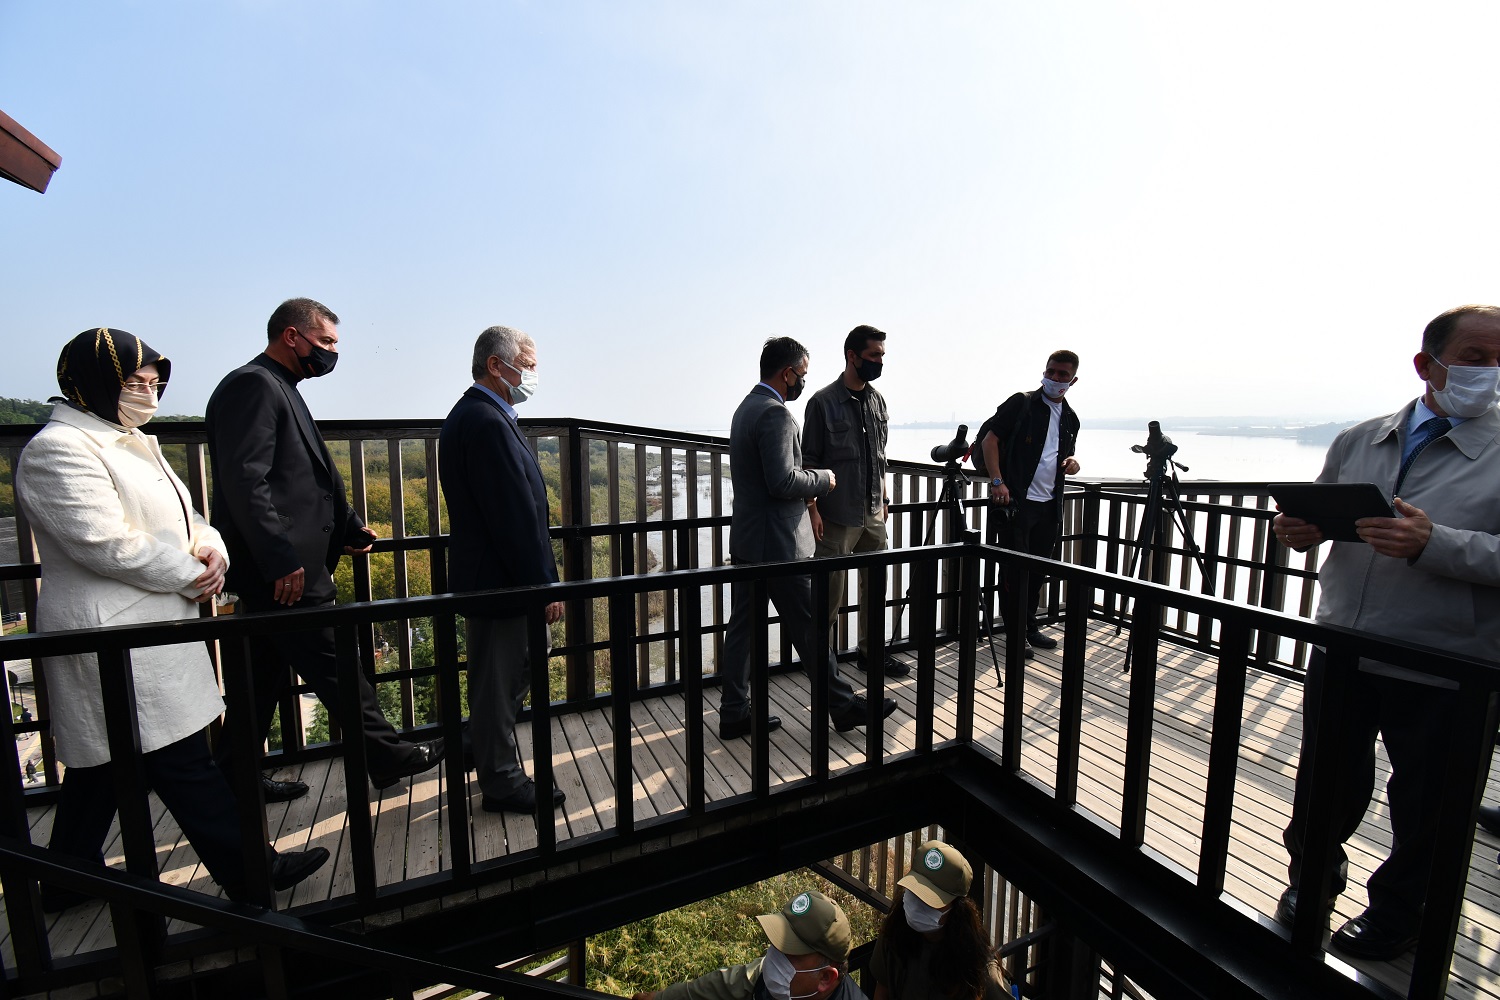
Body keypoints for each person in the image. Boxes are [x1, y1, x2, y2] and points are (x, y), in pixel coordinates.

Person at [16, 328, 327, 907]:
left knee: (104, 764)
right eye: (135, 381)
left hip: (150, 628)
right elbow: (104, 542)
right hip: (113, 633)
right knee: (180, 758)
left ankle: (64, 879)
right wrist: (194, 575)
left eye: (154, 383)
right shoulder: (58, 449)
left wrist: (212, 550)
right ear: (96, 382)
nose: (148, 393)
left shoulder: (133, 441)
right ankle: (254, 874)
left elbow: (191, 520)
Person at [1271, 304, 1500, 961]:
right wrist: (1293, 530)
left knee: (1427, 804)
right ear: (1427, 364)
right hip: (1344, 643)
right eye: (1476, 357)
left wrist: (1436, 543)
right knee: (1324, 784)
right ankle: (1311, 880)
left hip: (1447, 659)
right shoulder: (1360, 439)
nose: (1491, 371)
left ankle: (1401, 911)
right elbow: (1314, 509)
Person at [206, 298, 443, 801]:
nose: (333, 352)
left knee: (260, 679)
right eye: (327, 341)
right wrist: (280, 558)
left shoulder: (281, 386)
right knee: (335, 666)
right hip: (286, 572)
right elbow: (246, 483)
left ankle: (231, 777)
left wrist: (349, 528)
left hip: (284, 568)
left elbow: (305, 477)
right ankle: (388, 755)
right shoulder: (253, 385)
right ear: (292, 335)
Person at [719, 337, 896, 740]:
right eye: (801, 374)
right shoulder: (776, 415)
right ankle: (842, 706)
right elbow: (782, 481)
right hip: (779, 546)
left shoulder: (745, 408)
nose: (802, 381)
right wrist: (823, 479)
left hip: (750, 540)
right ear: (787, 374)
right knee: (810, 628)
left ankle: (734, 711)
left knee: (743, 629)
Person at [437, 325, 565, 815]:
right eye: (527, 365)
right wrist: (543, 585)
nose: (532, 375)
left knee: (516, 669)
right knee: (498, 679)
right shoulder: (485, 421)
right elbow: (513, 516)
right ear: (496, 365)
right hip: (501, 580)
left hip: (497, 576)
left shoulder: (482, 415)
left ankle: (480, 744)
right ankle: (502, 780)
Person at [802, 325, 907, 679]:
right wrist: (812, 509)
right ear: (852, 355)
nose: (880, 362)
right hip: (834, 515)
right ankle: (823, 668)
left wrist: (885, 499)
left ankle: (871, 655)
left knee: (875, 590)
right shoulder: (822, 403)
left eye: (882, 355)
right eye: (874, 355)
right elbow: (809, 461)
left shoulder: (878, 401)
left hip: (873, 513)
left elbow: (880, 457)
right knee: (828, 598)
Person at [978, 350, 1082, 653]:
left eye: (1062, 374)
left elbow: (1063, 454)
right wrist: (997, 481)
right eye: (1051, 372)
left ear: (1073, 380)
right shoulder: (1021, 403)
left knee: (1037, 571)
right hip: (1016, 503)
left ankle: (1029, 626)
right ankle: (1015, 634)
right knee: (1014, 572)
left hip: (1049, 506)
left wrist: (1073, 462)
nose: (1055, 378)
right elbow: (990, 441)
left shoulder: (1071, 418)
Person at [631, 889, 859, 1000]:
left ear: (825, 978)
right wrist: (661, 998)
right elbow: (726, 983)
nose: (774, 956)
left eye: (789, 951)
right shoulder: (781, 982)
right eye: (777, 942)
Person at [870, 841, 1008, 1000]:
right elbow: (882, 990)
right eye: (914, 892)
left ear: (956, 908)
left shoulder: (979, 969)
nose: (917, 905)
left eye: (929, 900)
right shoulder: (895, 931)